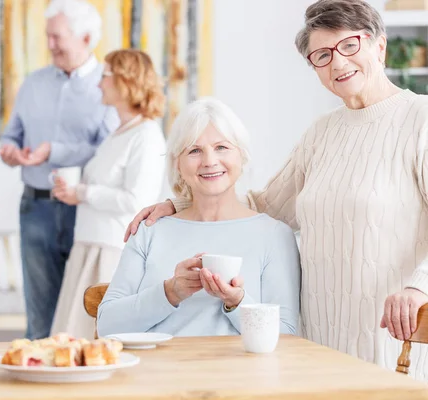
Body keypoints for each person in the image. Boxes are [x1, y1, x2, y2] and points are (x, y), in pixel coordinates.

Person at [125, 0, 428, 379]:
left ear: (378, 45)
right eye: (322, 54)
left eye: (349, 45)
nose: (338, 62)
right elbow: (265, 205)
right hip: (321, 341)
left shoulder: (420, 120)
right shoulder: (322, 133)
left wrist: (419, 288)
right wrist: (180, 202)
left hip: (393, 337)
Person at [96, 97, 301, 337]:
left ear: (241, 156)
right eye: (194, 150)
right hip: (156, 373)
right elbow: (107, 326)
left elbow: (285, 334)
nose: (210, 161)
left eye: (221, 147)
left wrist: (236, 302)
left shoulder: (275, 236)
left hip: (239, 375)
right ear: (178, 165)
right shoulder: (149, 230)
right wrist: (170, 292)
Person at [0, 0, 119, 340]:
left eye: (56, 37)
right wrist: (9, 149)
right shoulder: (34, 83)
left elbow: (107, 150)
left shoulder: (108, 86)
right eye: (47, 36)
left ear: (86, 38)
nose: (49, 45)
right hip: (35, 208)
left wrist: (55, 151)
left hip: (85, 210)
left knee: (83, 314)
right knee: (40, 314)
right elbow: (11, 134)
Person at [49, 49, 167, 339]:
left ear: (126, 80)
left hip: (110, 252)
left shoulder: (147, 135)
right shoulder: (119, 132)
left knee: (96, 340)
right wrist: (75, 192)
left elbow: (137, 201)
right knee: (75, 340)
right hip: (89, 246)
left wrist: (84, 193)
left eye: (105, 76)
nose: (99, 83)